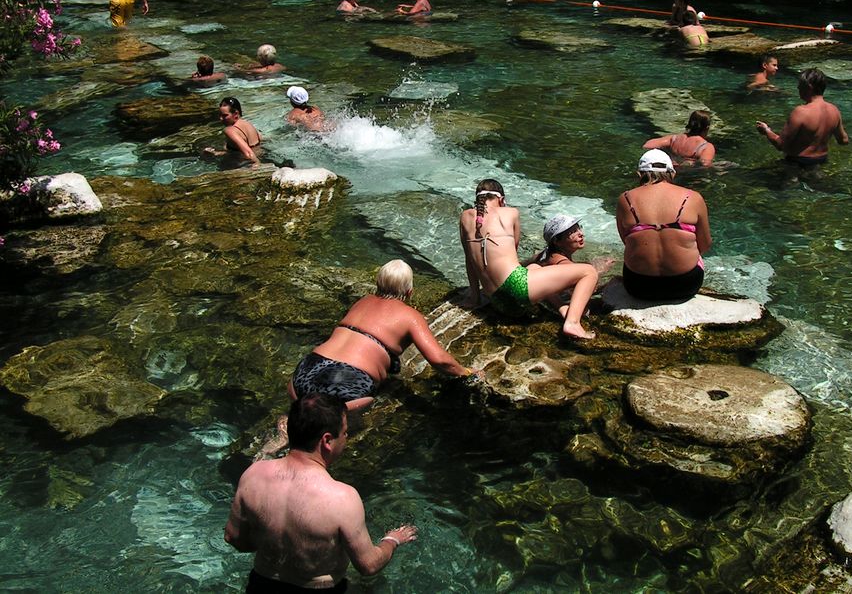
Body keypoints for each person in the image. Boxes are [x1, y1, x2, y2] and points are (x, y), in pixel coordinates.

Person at [225, 393, 419, 592]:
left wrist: (274, 543)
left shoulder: (254, 474)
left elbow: (233, 538)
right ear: (327, 440)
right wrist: (392, 540)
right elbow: (368, 565)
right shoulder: (341, 497)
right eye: (344, 433)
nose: (346, 438)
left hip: (261, 585)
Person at [288, 260, 475, 411]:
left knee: (301, 413)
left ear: (378, 283)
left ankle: (283, 430)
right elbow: (439, 360)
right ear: (410, 292)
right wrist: (467, 373)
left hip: (306, 370)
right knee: (348, 411)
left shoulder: (363, 301)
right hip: (346, 381)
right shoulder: (411, 316)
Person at [460, 179, 598, 339]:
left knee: (535, 268)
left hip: (498, 301)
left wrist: (475, 297)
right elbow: (514, 252)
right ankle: (572, 323)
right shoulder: (511, 212)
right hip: (516, 291)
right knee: (589, 272)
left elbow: (470, 260)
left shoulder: (464, 217)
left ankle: (562, 308)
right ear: (501, 200)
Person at [616, 150, 711, 302]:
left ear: (639, 174)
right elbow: (705, 245)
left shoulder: (625, 199)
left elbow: (626, 241)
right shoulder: (693, 197)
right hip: (685, 285)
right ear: (672, 173)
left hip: (638, 286)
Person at [755, 67, 849, 167]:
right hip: (821, 160)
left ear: (809, 87)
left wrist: (766, 130)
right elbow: (844, 141)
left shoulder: (801, 112)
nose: (798, 88)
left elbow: (780, 144)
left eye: (800, 85)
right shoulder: (834, 110)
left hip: (798, 162)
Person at [525, 214, 613, 318]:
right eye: (573, 232)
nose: (581, 234)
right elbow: (582, 289)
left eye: (579, 228)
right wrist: (603, 280)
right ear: (556, 241)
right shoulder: (562, 263)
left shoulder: (544, 254)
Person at [643, 110, 716, 167]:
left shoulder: (674, 139)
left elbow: (647, 145)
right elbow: (705, 165)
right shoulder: (706, 147)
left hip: (671, 167)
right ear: (707, 128)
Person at [203, 96, 262, 168]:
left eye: (225, 115)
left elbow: (248, 153)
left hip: (244, 161)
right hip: (261, 153)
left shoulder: (229, 130)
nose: (221, 119)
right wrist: (216, 153)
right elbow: (260, 140)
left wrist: (256, 164)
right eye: (220, 115)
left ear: (236, 114)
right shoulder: (248, 124)